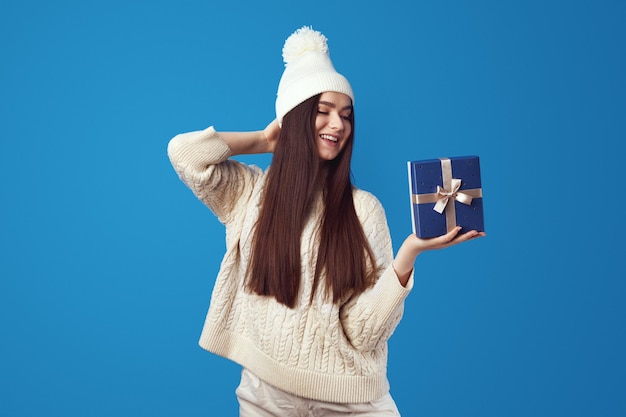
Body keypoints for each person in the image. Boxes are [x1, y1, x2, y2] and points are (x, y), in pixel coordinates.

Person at [168, 26, 485, 417]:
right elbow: (185, 154)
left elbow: (363, 332)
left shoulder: (364, 210)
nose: (338, 125)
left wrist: (408, 257)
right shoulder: (249, 194)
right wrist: (264, 139)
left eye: (346, 116)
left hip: (352, 400)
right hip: (266, 396)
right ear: (295, 118)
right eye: (323, 111)